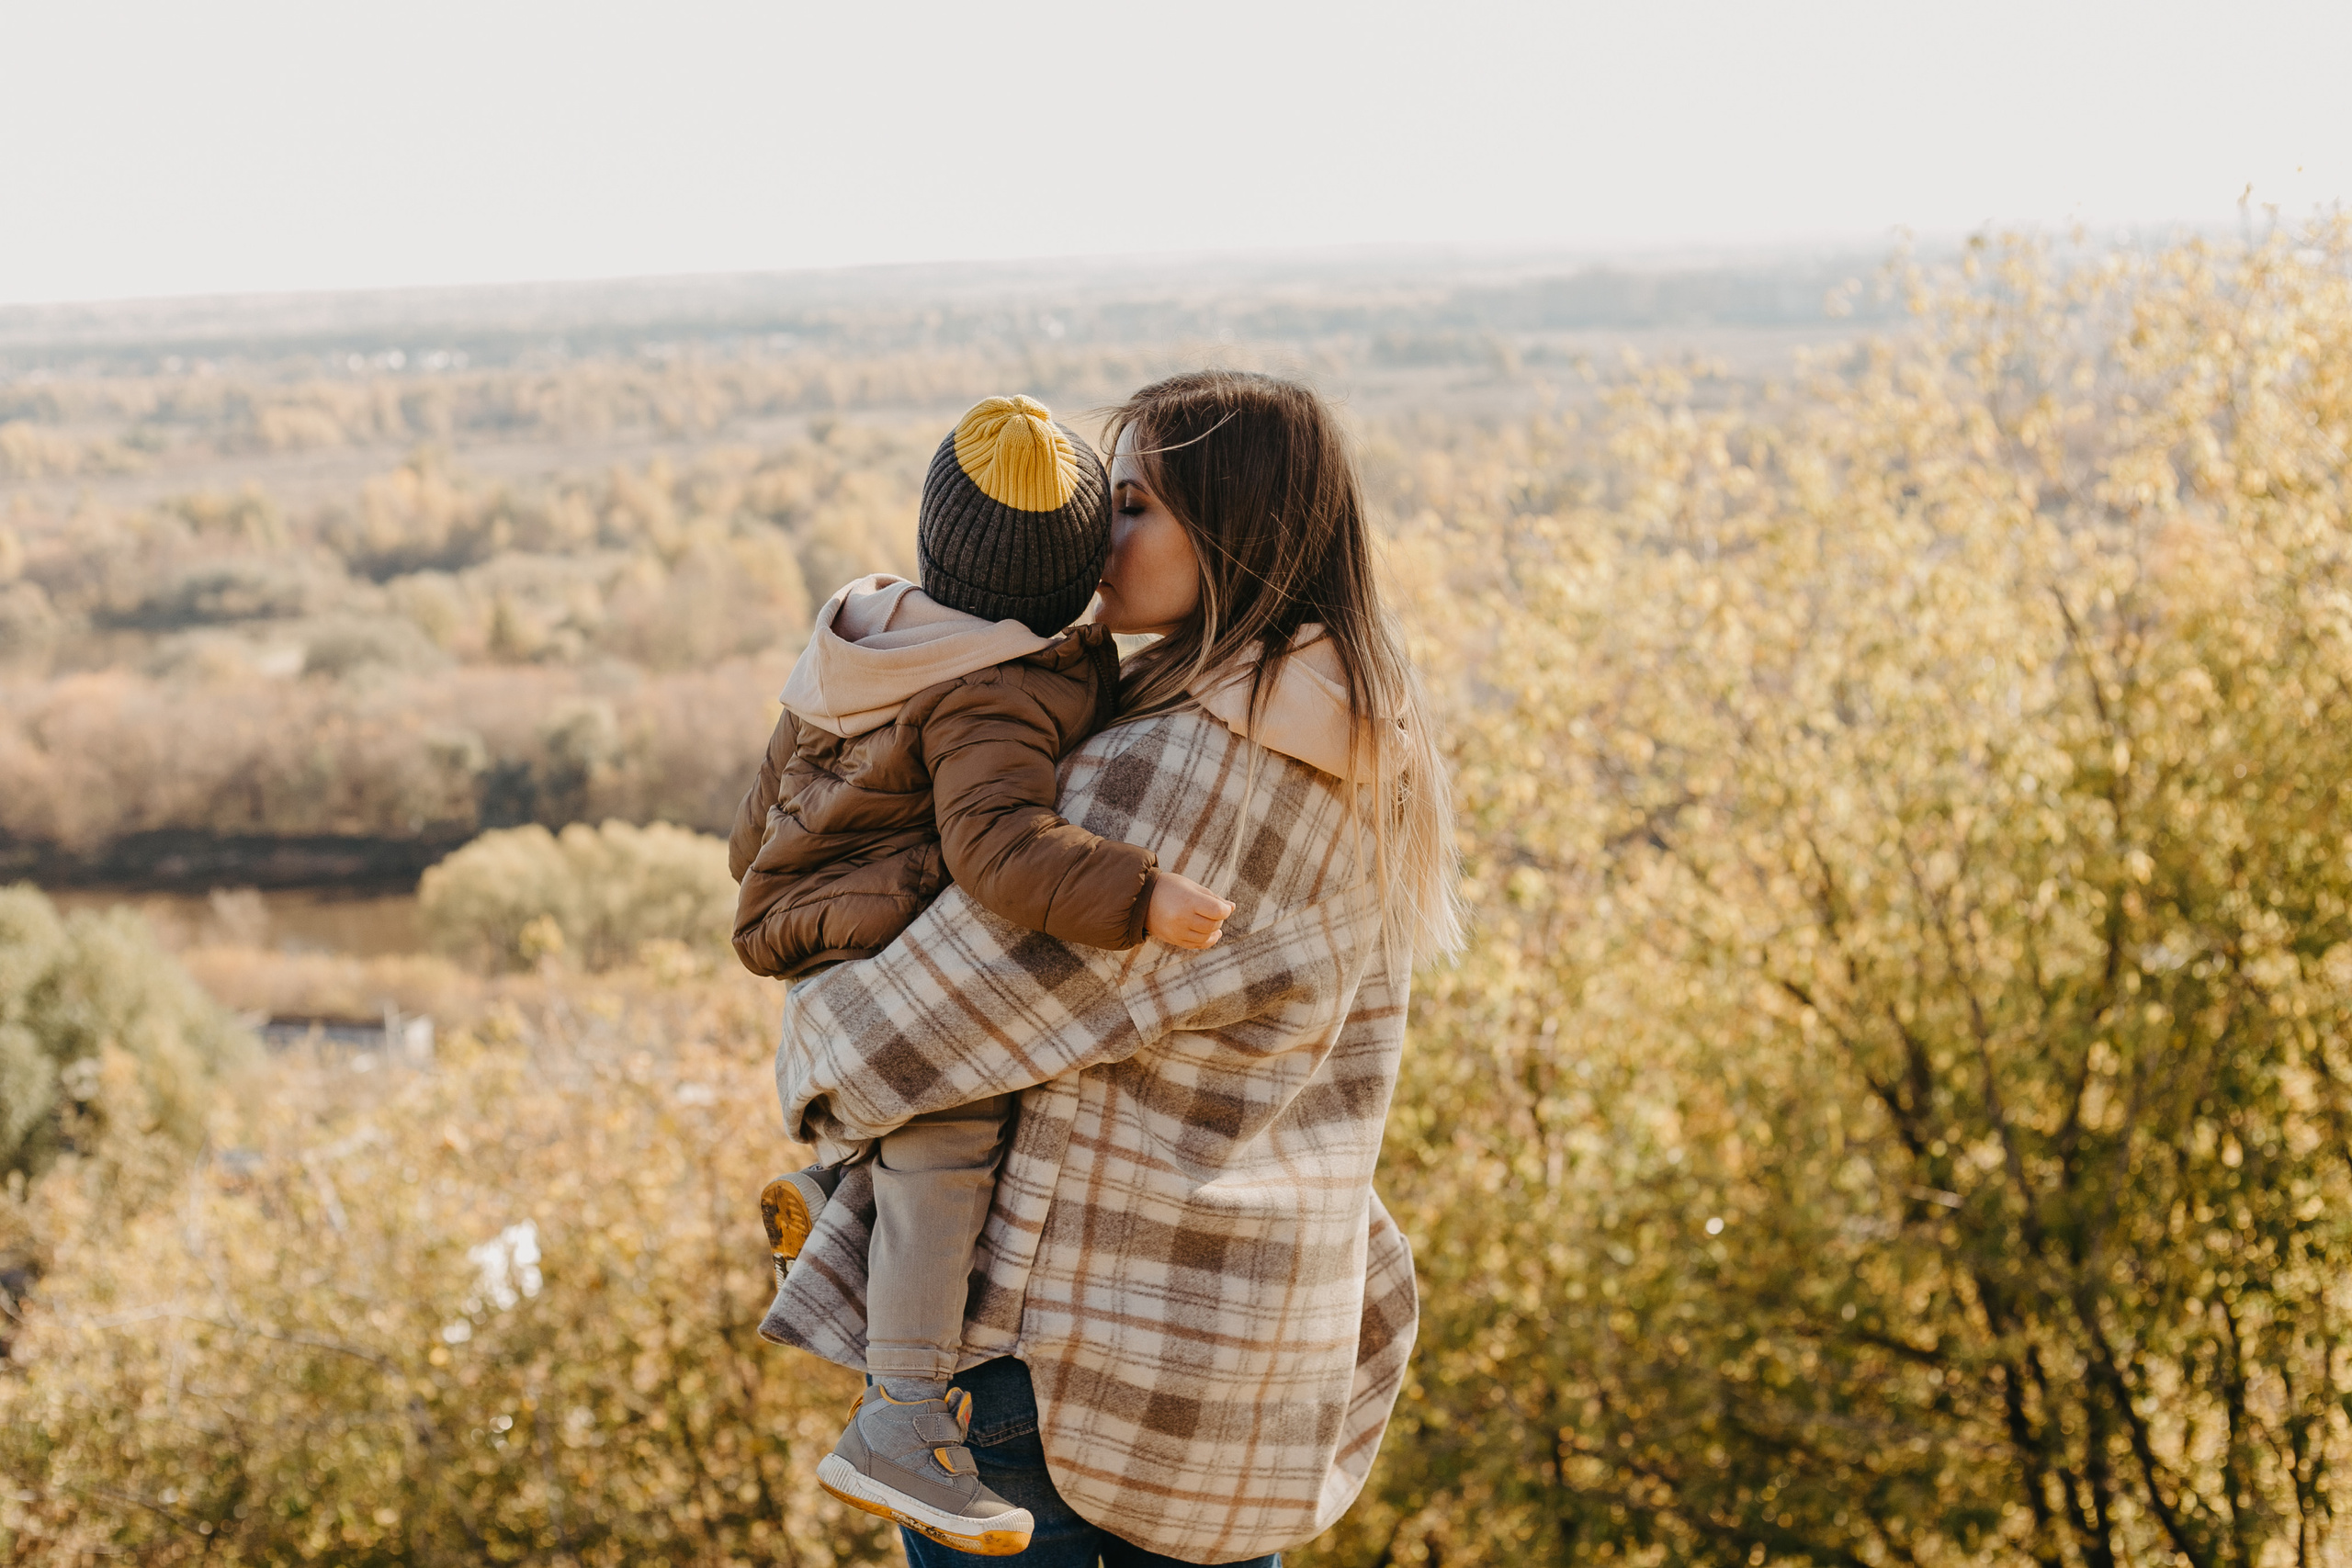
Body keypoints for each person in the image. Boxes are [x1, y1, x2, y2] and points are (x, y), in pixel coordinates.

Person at [759, 370, 1463, 1567]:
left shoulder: (1190, 772)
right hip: (1234, 1373)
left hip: (1076, 1376)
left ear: (1235, 533)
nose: (1096, 529)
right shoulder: (1355, 747)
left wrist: (803, 1031)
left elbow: (906, 1038)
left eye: (1131, 502)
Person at [727, 394, 1237, 1555]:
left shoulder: (868, 623)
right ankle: (900, 1419)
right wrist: (1138, 894)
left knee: (928, 1136)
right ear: (1063, 579)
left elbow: (756, 818)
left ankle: (833, 1205)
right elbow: (1001, 852)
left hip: (803, 909)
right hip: (871, 925)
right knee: (954, 1131)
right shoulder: (1002, 686)